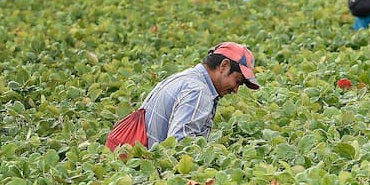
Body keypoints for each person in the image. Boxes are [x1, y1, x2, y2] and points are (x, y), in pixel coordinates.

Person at [106, 41, 260, 150]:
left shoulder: (186, 77)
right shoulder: (198, 91)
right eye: (237, 81)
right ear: (224, 65)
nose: (236, 90)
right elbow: (180, 147)